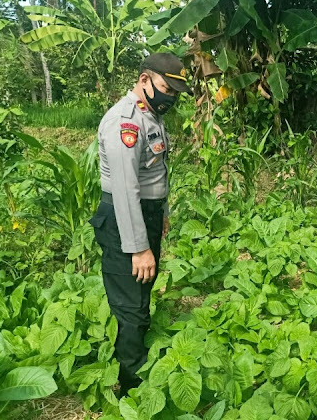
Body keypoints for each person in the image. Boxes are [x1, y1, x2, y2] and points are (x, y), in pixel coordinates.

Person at [88, 53, 191, 396]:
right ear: (144, 79)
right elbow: (125, 189)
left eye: (176, 93)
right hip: (123, 220)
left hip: (144, 215)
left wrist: (160, 215)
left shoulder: (151, 116)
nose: (170, 98)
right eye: (165, 88)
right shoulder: (125, 122)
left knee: (141, 295)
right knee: (131, 307)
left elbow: (154, 174)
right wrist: (139, 247)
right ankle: (131, 388)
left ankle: (134, 363)